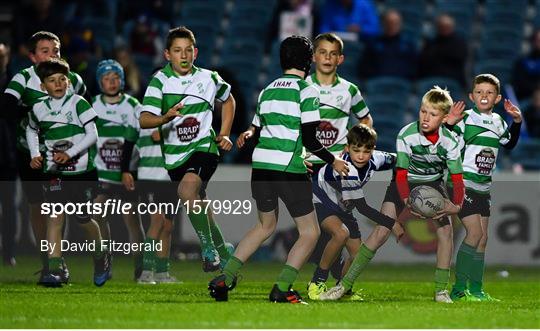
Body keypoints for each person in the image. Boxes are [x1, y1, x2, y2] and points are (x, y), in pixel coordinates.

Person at [208, 35, 349, 304]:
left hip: (260, 166)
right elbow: (309, 138)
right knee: (310, 232)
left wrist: (249, 134)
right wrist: (334, 161)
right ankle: (282, 288)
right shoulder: (307, 91)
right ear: (309, 61)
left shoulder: (268, 89)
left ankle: (225, 277)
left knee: (264, 225)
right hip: (287, 169)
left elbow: (258, 128)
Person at [139, 26, 235, 272]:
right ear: (167, 55)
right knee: (198, 203)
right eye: (178, 51)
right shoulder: (160, 81)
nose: (184, 55)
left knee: (186, 189)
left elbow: (229, 99)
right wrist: (164, 118)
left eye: (188, 50)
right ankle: (223, 250)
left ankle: (208, 250)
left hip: (204, 148)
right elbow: (144, 119)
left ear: (196, 53)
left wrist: (223, 132)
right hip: (173, 158)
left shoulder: (209, 78)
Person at [1, 31, 87, 284]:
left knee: (58, 207)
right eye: (45, 51)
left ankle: (57, 263)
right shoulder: (23, 78)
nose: (52, 56)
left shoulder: (73, 79)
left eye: (56, 51)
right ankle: (48, 261)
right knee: (38, 208)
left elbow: (88, 109)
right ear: (32, 56)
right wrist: (31, 110)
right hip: (29, 154)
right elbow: (5, 107)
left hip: (60, 155)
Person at [372, 86, 465, 303]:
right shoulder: (406, 134)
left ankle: (441, 291)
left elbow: (457, 179)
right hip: (402, 184)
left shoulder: (450, 142)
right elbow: (401, 174)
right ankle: (345, 285)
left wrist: (457, 205)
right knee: (381, 232)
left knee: (446, 233)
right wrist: (406, 200)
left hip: (432, 184)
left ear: (443, 118)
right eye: (423, 111)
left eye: (432, 114)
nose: (425, 117)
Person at [25, 58, 110, 287]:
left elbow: (92, 135)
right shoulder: (39, 108)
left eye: (62, 79)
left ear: (69, 80)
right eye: (52, 80)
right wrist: (35, 153)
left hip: (82, 172)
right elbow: (31, 129)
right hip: (54, 171)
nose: (58, 83)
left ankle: (100, 256)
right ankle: (54, 271)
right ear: (43, 86)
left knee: (83, 219)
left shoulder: (78, 103)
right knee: (55, 216)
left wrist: (71, 153)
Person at [445, 74, 522, 302]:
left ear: (497, 98)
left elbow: (509, 144)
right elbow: (445, 142)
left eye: (489, 92)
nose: (484, 96)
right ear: (471, 96)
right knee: (475, 233)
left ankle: (477, 290)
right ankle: (458, 290)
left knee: (483, 238)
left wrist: (516, 122)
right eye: (479, 92)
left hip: (483, 187)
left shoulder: (498, 121)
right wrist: (449, 123)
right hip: (463, 183)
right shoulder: (465, 118)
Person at [305, 32, 372, 290]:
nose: (327, 57)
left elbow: (366, 119)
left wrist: (354, 143)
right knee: (327, 227)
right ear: (313, 56)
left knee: (338, 225)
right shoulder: (304, 87)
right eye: (322, 52)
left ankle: (334, 276)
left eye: (333, 53)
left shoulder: (349, 89)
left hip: (339, 168)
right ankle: (323, 274)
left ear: (340, 59)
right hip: (310, 165)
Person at [307, 124, 404, 301]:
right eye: (356, 150)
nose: (361, 155)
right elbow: (363, 208)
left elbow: (400, 159)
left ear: (373, 149)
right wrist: (393, 223)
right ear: (347, 148)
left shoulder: (377, 158)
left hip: (343, 207)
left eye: (366, 151)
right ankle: (316, 282)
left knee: (357, 254)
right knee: (340, 233)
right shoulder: (347, 169)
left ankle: (342, 289)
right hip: (321, 200)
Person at [91, 59, 145, 280]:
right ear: (100, 82)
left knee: (132, 220)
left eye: (115, 78)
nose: (111, 83)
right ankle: (105, 261)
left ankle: (140, 266)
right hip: (102, 173)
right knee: (97, 214)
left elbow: (141, 139)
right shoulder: (91, 105)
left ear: (121, 80)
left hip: (126, 174)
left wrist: (132, 168)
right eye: (106, 79)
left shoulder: (133, 105)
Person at [359, 9, 418, 80]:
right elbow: (365, 68)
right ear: (383, 24)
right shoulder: (373, 44)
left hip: (401, 85)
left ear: (401, 24)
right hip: (378, 83)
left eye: (395, 23)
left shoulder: (408, 45)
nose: (392, 26)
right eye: (389, 23)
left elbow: (414, 69)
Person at [0, 42, 17, 266]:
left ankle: (9, 251)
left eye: (2, 55)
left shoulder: (16, 83)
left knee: (9, 205)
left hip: (8, 155)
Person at [418, 14, 468, 87]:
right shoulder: (431, 42)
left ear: (452, 27)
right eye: (441, 26)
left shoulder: (459, 43)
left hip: (452, 80)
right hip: (431, 79)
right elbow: (424, 61)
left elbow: (457, 59)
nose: (444, 29)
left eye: (447, 26)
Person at [512, 29, 540, 100]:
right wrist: (536, 90)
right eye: (538, 40)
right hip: (527, 99)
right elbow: (520, 83)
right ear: (533, 42)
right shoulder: (523, 61)